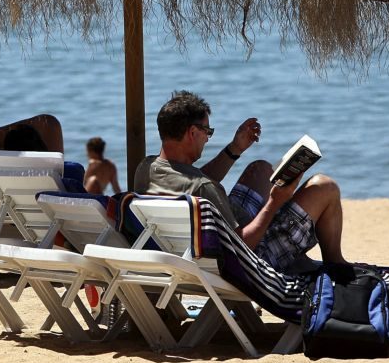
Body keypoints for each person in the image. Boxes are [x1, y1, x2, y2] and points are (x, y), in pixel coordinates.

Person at [134, 90, 347, 274]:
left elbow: (186, 178)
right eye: (207, 132)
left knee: (261, 170)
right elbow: (242, 248)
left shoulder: (146, 169)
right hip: (245, 263)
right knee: (324, 187)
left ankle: (296, 252)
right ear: (192, 132)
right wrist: (275, 201)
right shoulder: (205, 188)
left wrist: (234, 149)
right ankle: (335, 266)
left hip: (188, 257)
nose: (208, 138)